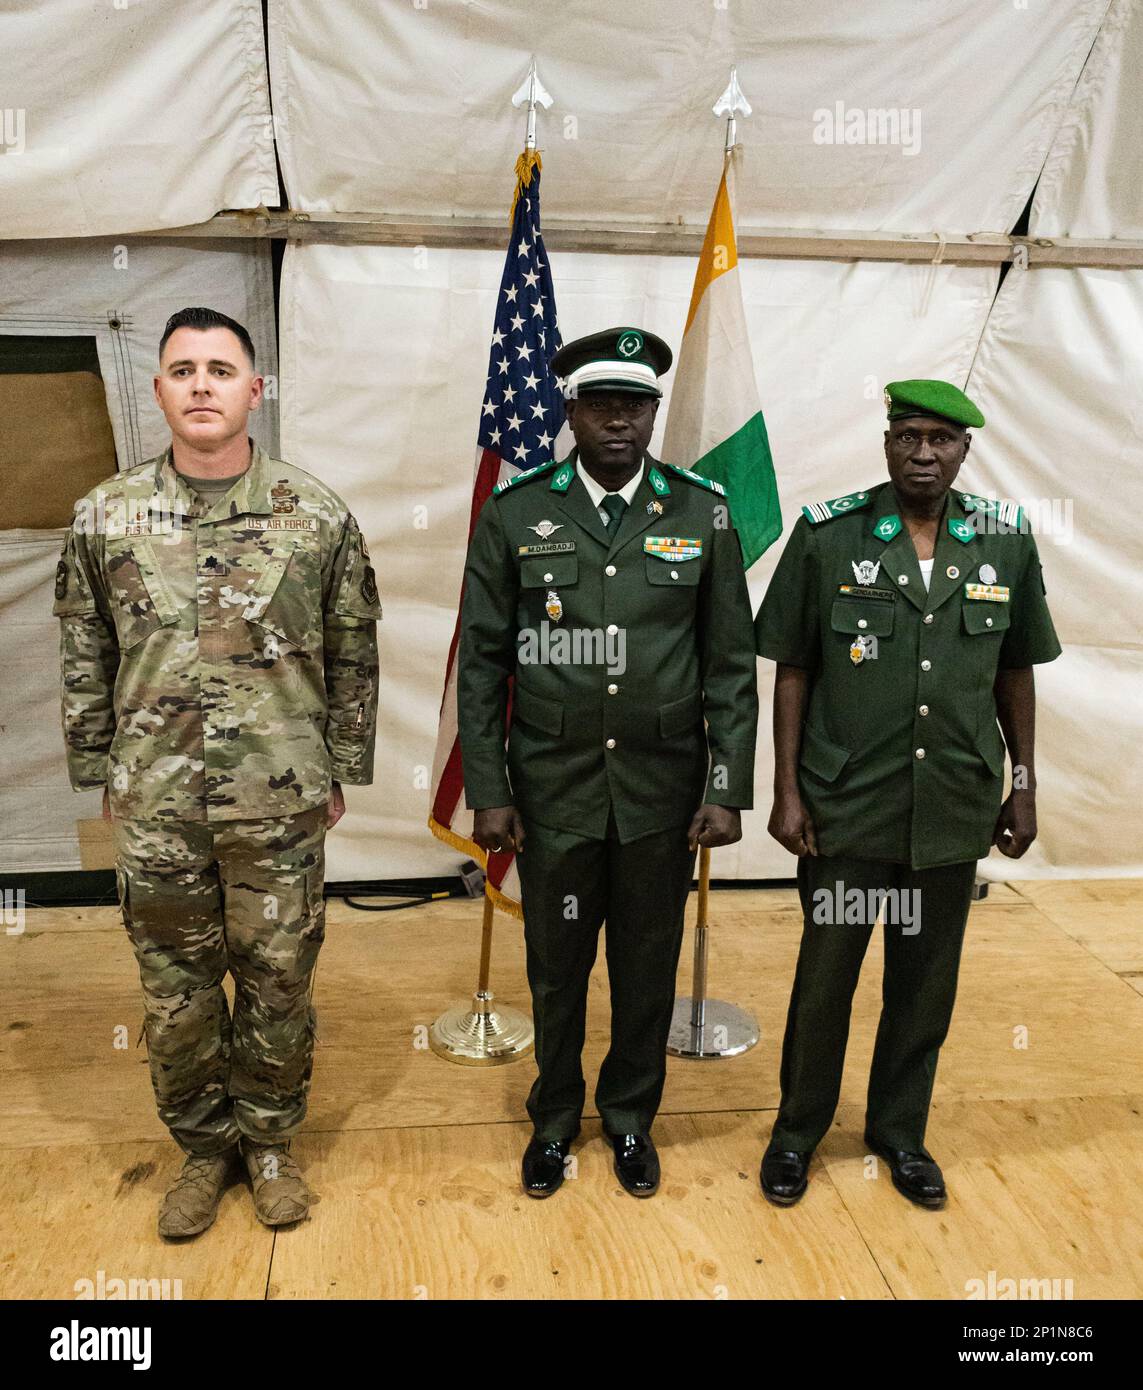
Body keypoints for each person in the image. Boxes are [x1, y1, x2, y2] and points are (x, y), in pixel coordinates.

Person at [52, 306, 382, 1237]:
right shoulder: (105, 516)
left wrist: (340, 765)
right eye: (184, 369)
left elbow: (353, 648)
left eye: (221, 369)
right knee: (176, 993)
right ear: (158, 390)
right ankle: (204, 1148)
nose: (202, 384)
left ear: (254, 390)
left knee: (278, 981)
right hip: (156, 802)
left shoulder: (313, 515)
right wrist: (97, 767)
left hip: (278, 797)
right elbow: (85, 651)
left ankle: (271, 1142)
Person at [458, 327, 758, 1198]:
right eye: (601, 405)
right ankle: (553, 1117)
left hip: (662, 790)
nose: (619, 422)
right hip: (554, 789)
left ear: (653, 412)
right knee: (555, 964)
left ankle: (629, 1119)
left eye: (635, 406)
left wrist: (725, 784)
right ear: (571, 410)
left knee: (644, 961)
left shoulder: (699, 511)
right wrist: (489, 788)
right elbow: (482, 658)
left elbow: (729, 660)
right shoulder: (518, 512)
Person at [754, 378, 1061, 1209]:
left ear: (965, 450)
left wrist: (1022, 786)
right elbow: (793, 669)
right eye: (908, 438)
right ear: (886, 442)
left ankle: (899, 1132)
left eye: (941, 441)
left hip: (951, 808)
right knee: (826, 981)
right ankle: (796, 1134)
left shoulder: (1002, 541)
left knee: (924, 985)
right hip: (847, 808)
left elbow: (1014, 673)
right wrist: (785, 789)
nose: (923, 454)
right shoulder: (828, 535)